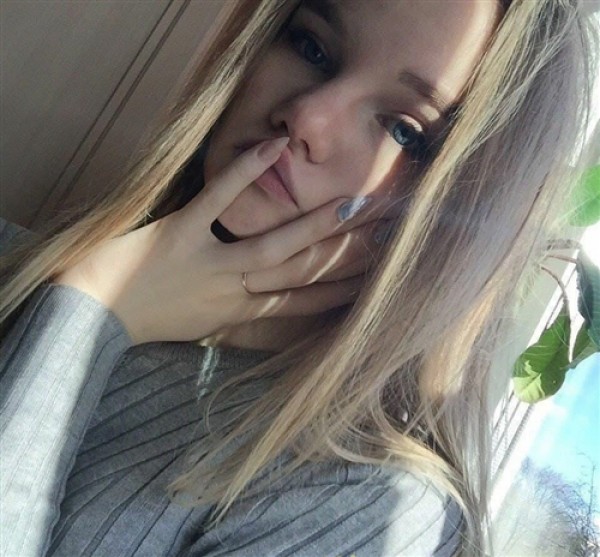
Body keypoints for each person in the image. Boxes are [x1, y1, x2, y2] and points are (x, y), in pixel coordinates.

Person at [0, 0, 597, 555]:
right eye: (312, 48)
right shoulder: (36, 263)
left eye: (403, 130)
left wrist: (91, 307)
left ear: (458, 223)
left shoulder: (372, 506)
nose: (306, 117)